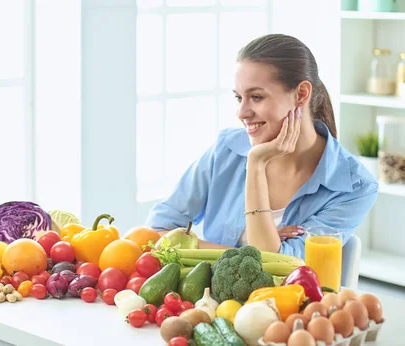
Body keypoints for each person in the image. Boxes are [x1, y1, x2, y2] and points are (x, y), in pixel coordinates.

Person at [145, 34, 379, 259]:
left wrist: (256, 163)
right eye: (239, 97)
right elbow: (154, 233)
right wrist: (244, 252)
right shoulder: (226, 150)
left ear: (301, 94)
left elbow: (278, 269)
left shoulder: (353, 187)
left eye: (256, 97)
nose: (242, 112)